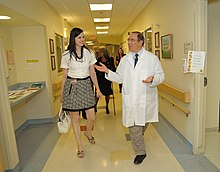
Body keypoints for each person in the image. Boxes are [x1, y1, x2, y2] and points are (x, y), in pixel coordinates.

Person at [95, 31, 165, 165]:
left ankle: (138, 136)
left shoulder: (152, 59)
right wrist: (107, 72)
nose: (129, 42)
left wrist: (153, 79)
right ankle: (141, 152)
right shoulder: (125, 59)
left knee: (142, 124)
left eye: (132, 40)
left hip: (145, 99)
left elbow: (161, 76)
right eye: (129, 40)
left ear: (140, 42)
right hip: (131, 100)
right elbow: (120, 78)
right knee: (134, 127)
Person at [60, 27, 102, 158]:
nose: (82, 39)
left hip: (86, 85)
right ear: (73, 39)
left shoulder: (89, 52)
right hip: (72, 86)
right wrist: (62, 93)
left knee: (92, 117)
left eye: (83, 37)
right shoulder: (66, 55)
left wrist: (98, 89)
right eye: (79, 37)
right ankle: (79, 145)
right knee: (76, 118)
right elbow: (65, 75)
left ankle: (88, 132)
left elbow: (92, 72)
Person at [95, 47, 116, 114]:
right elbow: (95, 69)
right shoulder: (98, 60)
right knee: (97, 94)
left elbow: (113, 68)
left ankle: (107, 106)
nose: (100, 53)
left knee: (107, 93)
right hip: (100, 79)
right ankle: (95, 106)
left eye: (101, 52)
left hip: (107, 78)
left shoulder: (110, 59)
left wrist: (110, 72)